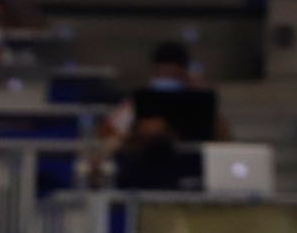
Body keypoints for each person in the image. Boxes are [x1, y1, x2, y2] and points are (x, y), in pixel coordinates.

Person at [96, 40, 231, 190]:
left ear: (185, 75)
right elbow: (107, 132)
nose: (168, 80)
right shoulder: (137, 103)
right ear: (154, 74)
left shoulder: (202, 103)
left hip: (190, 170)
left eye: (174, 75)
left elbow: (223, 139)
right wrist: (136, 136)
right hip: (145, 170)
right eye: (163, 74)